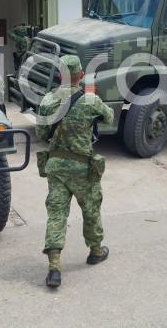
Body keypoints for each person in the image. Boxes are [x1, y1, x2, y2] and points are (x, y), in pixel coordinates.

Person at [35, 54, 114, 288]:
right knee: (90, 208)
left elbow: (41, 134)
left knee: (57, 214)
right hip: (82, 167)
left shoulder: (48, 99)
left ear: (60, 75)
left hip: (56, 166)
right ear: (80, 75)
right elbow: (110, 117)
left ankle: (54, 268)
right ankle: (96, 251)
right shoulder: (89, 100)